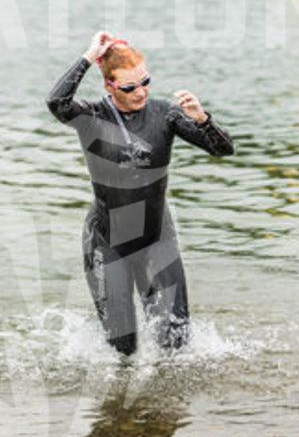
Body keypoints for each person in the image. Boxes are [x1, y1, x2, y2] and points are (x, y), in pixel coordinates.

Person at [45, 31, 234, 356]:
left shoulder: (165, 114)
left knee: (176, 341)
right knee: (123, 348)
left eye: (145, 82)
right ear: (109, 86)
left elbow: (223, 149)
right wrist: (90, 56)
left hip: (156, 236)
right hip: (107, 240)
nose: (141, 92)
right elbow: (56, 102)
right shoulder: (92, 117)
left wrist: (202, 119)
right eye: (129, 87)